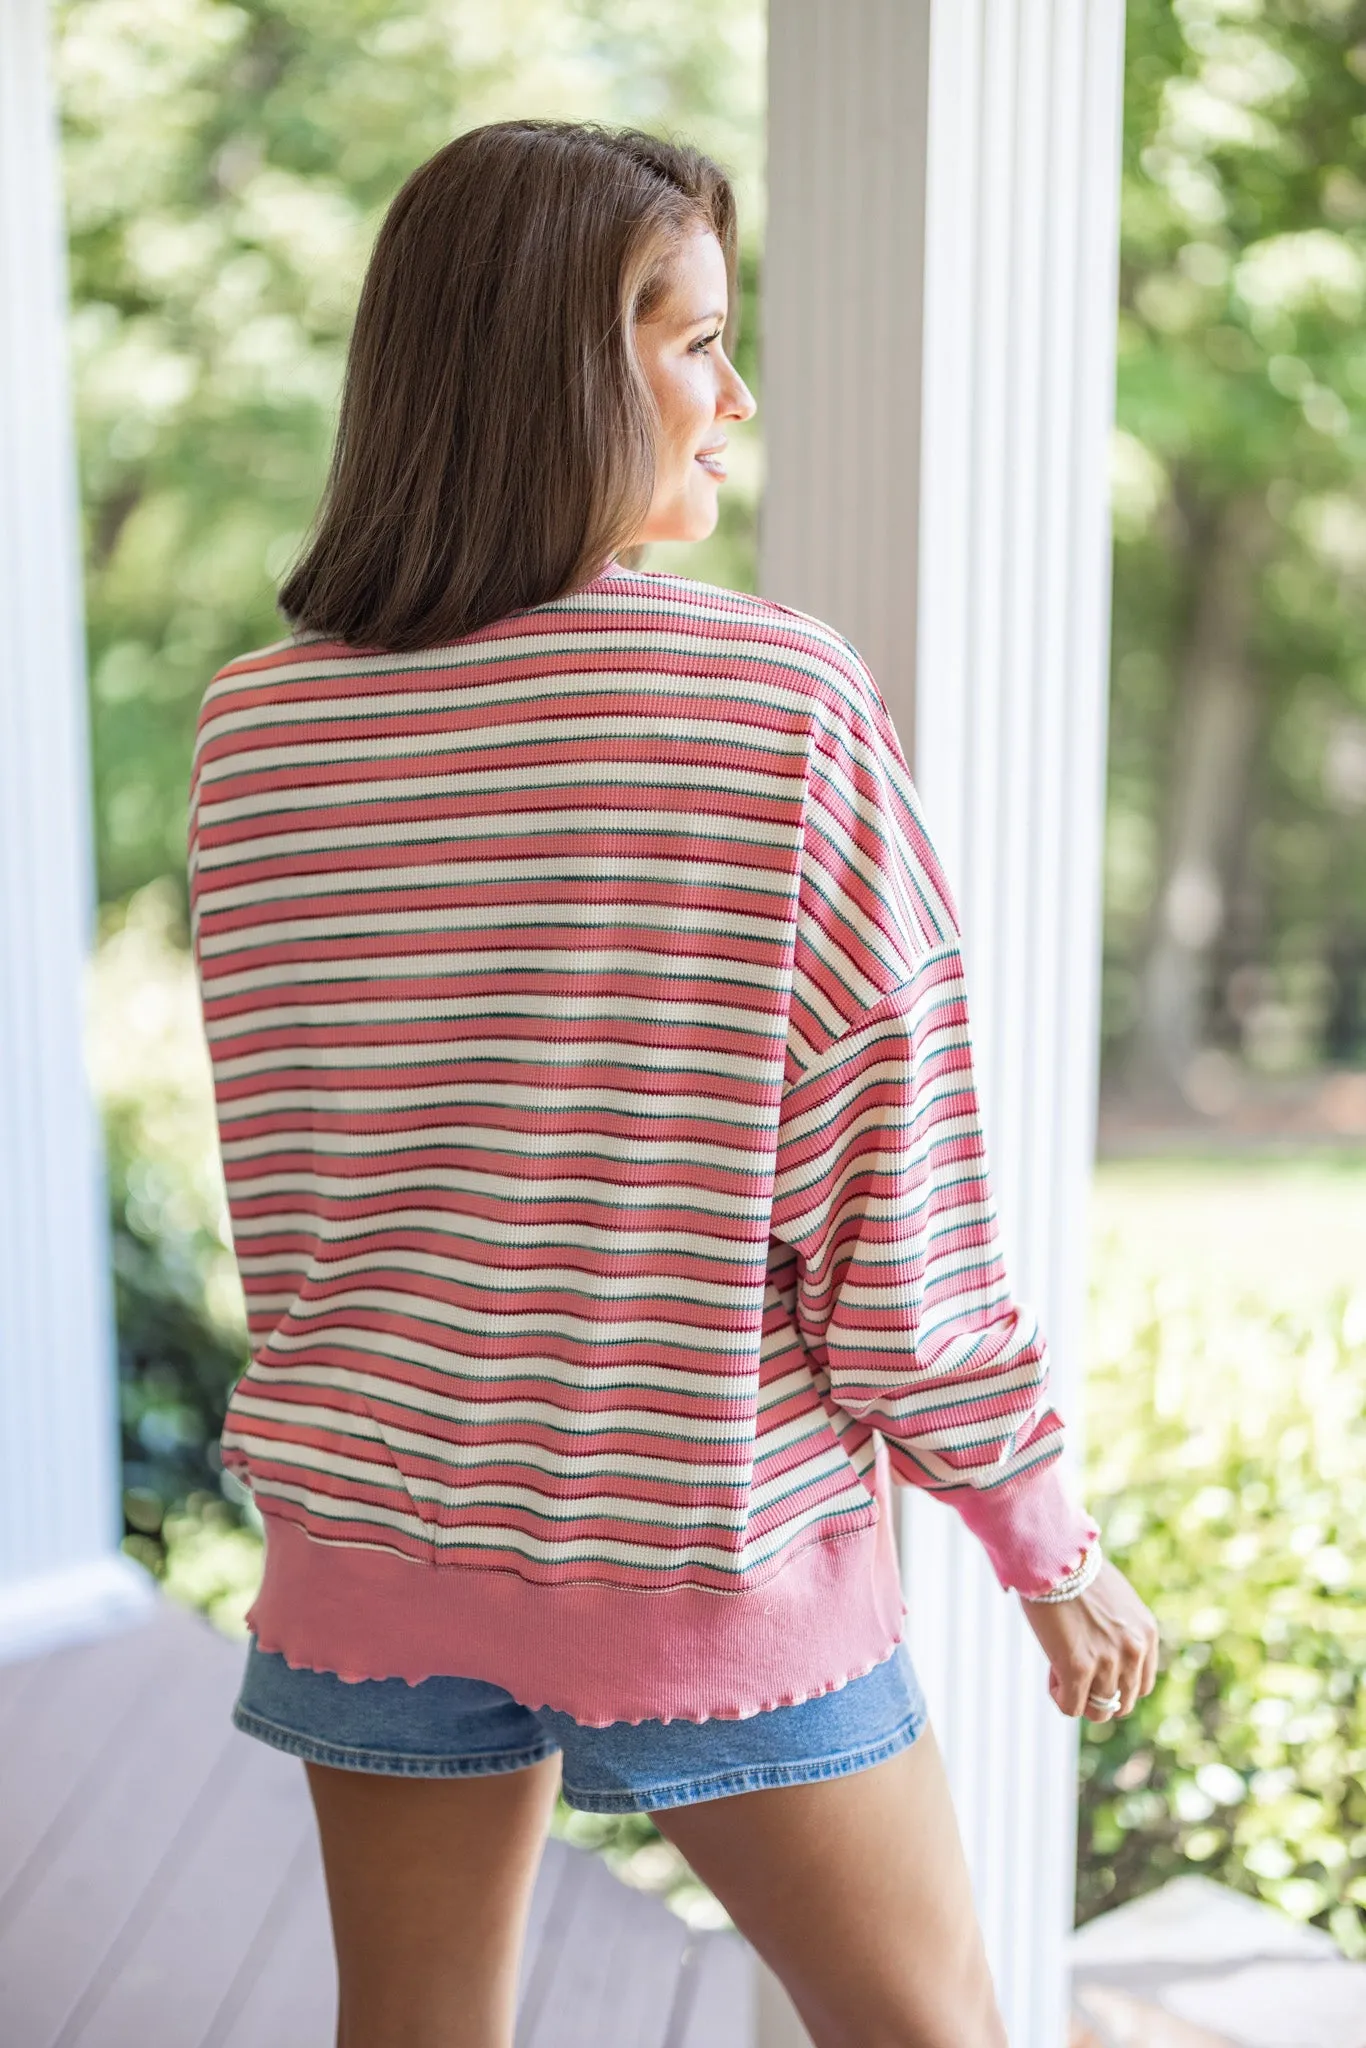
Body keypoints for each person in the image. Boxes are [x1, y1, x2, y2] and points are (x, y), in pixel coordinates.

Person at [186, 120, 1160, 2048]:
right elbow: (895, 1212)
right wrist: (1038, 1532)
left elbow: (296, 1177)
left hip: (372, 1532)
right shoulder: (770, 705)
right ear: (564, 363)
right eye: (697, 340)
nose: (736, 396)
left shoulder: (257, 729)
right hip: (693, 1551)